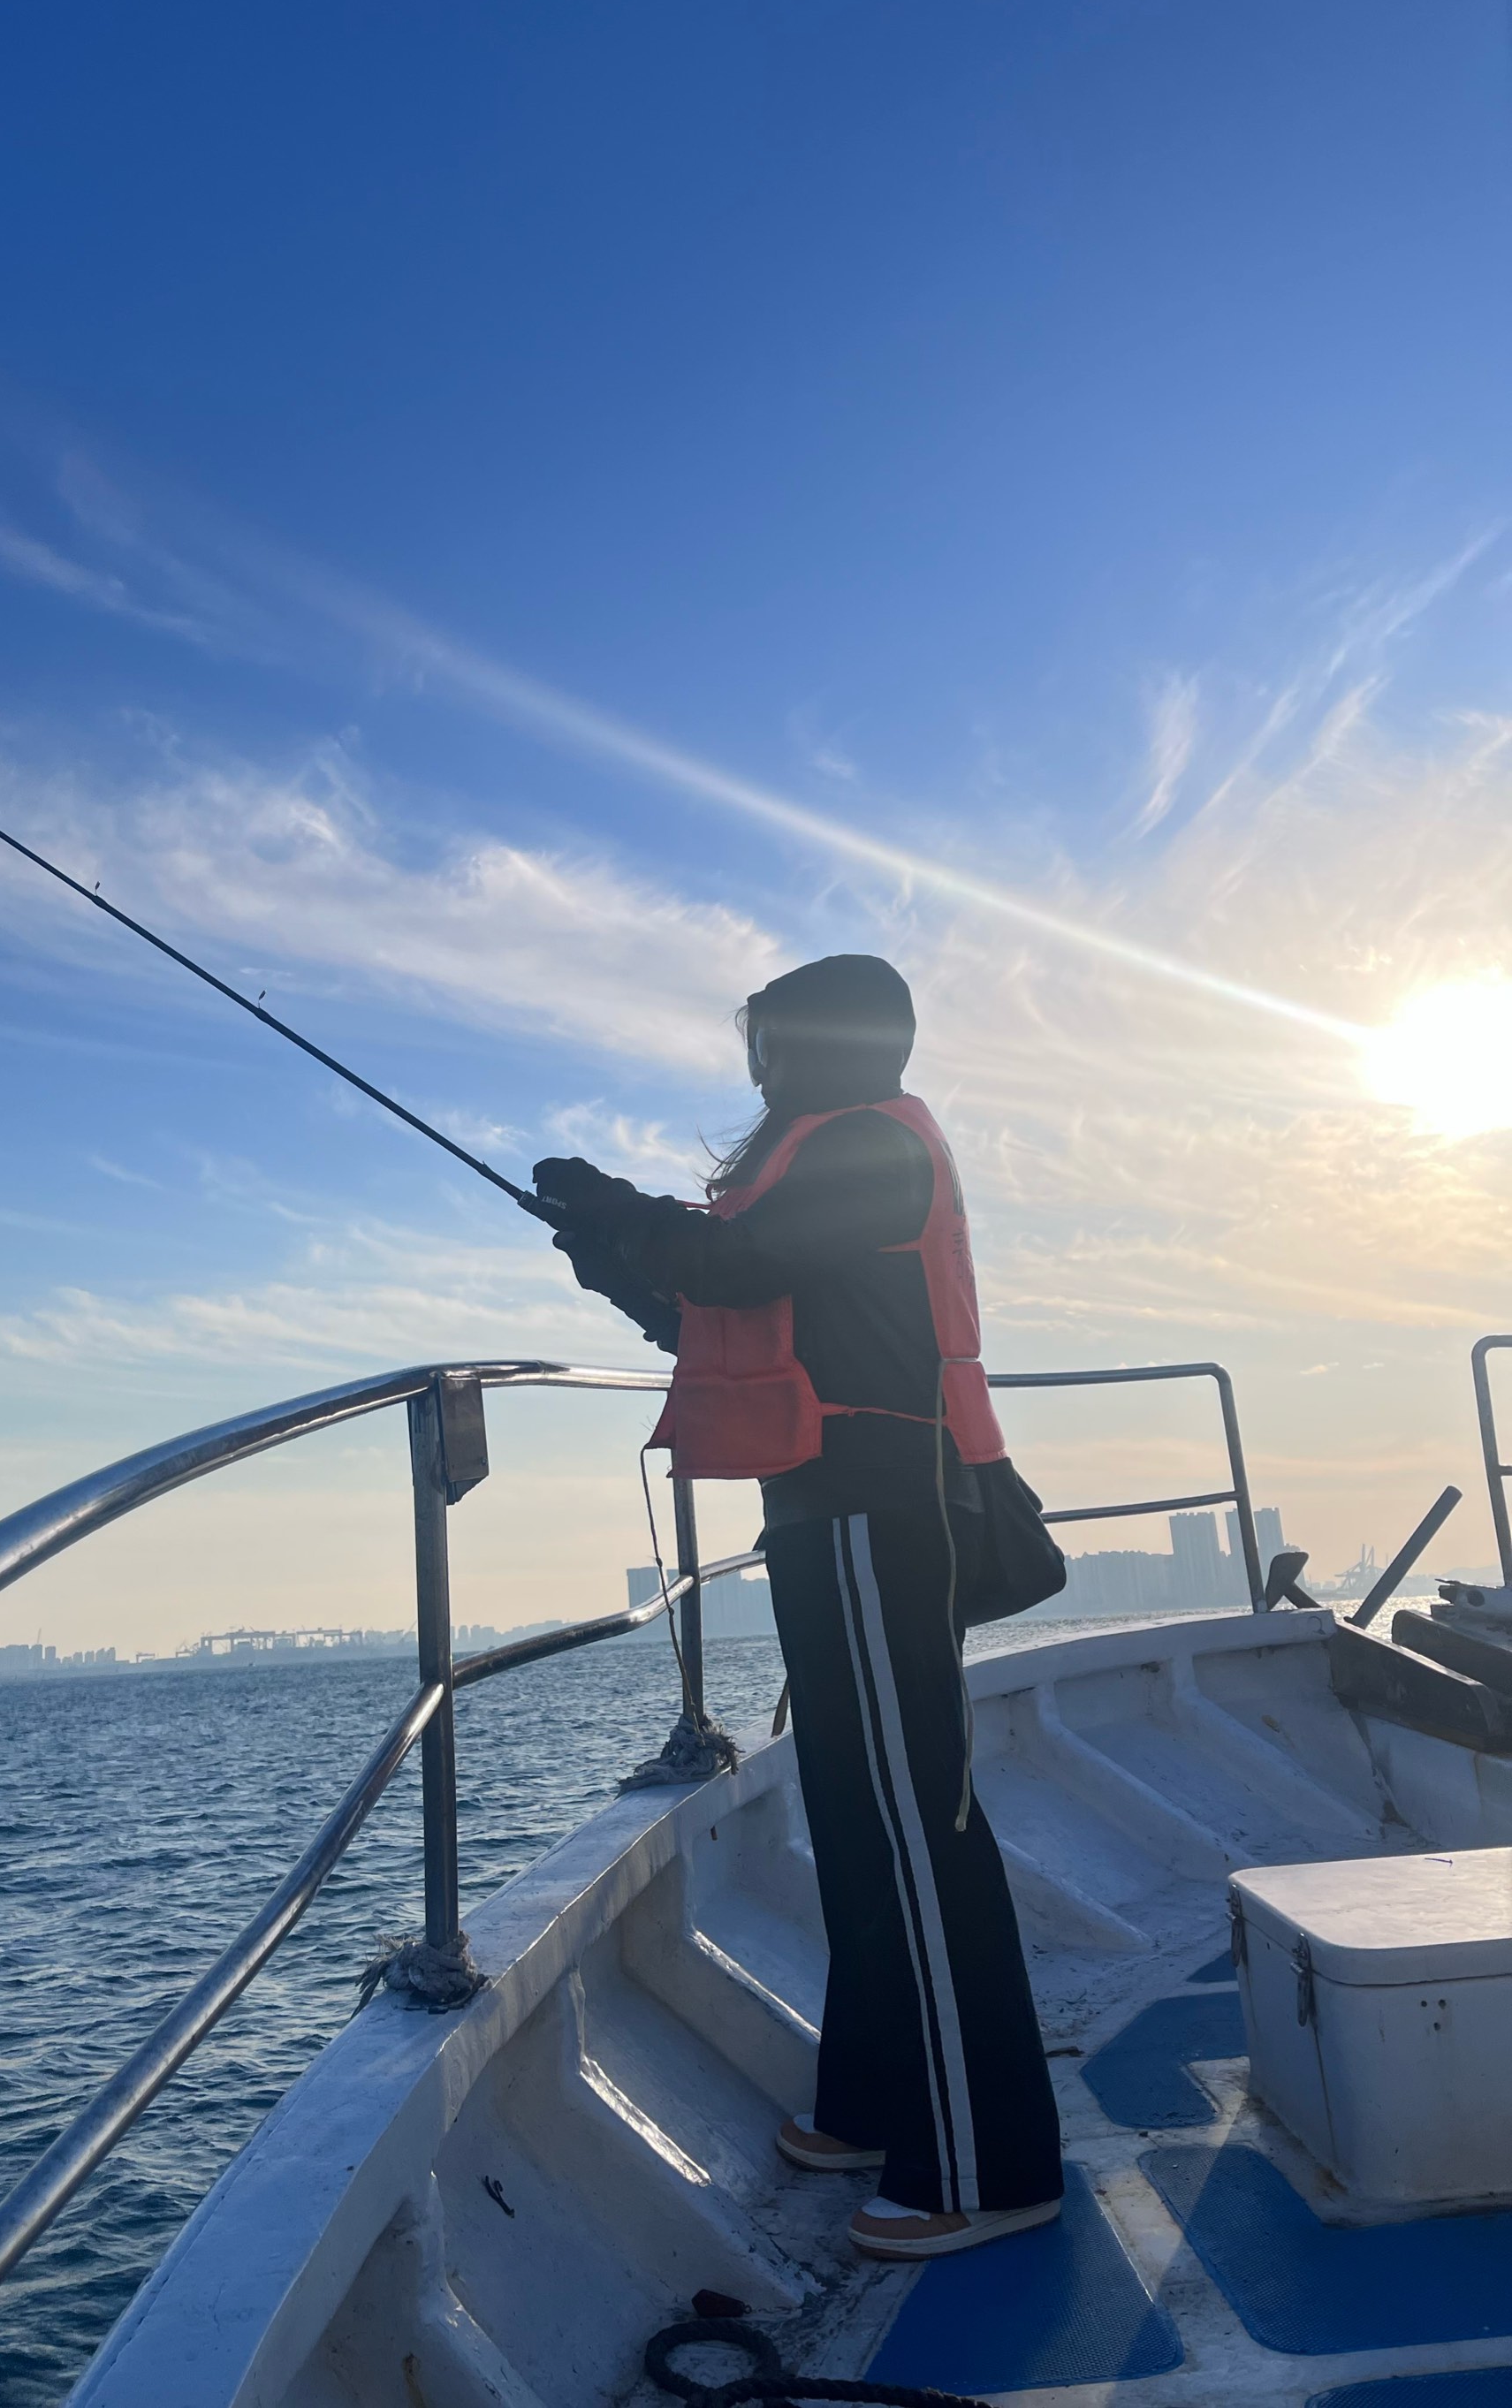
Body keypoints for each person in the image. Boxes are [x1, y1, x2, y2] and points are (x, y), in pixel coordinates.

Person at [533, 953, 1065, 2261]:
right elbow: (720, 1303)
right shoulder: (823, 1158)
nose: (757, 1061)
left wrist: (623, 1204)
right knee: (856, 1810)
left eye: (770, 1039)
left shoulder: (874, 1143)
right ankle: (882, 2098)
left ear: (822, 1042)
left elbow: (743, 1259)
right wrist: (608, 1248)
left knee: (914, 1820)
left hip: (886, 1511)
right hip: (825, 1516)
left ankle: (990, 2162)